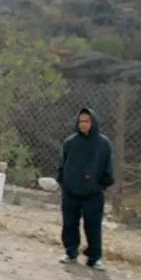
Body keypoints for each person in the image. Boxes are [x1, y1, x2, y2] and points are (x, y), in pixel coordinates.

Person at [57, 107, 114, 271]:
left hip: (93, 193)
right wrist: (64, 182)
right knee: (69, 223)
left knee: (93, 225)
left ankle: (94, 257)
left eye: (87, 121)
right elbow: (62, 165)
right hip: (71, 191)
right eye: (81, 121)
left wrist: (101, 185)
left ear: (93, 122)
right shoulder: (70, 142)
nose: (83, 124)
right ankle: (70, 252)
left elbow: (107, 168)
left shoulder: (103, 144)